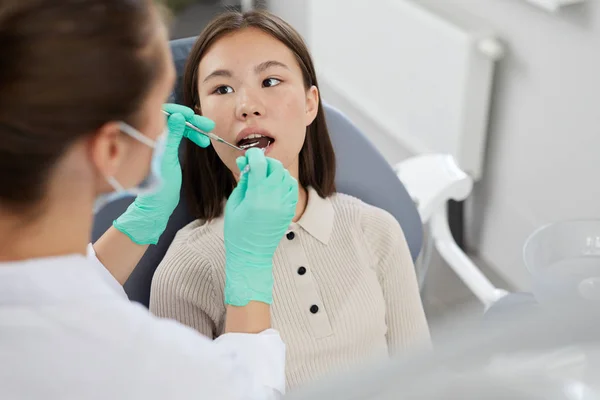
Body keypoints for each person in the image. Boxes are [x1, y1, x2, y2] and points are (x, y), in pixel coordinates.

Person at [0, 1, 298, 399]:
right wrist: (250, 274)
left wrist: (139, 222)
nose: (246, 106)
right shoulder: (150, 367)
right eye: (156, 105)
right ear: (111, 149)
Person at [149, 10, 431, 391]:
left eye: (270, 80)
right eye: (222, 89)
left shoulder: (375, 230)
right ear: (200, 120)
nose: (247, 105)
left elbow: (424, 381)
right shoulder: (185, 269)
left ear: (310, 103)